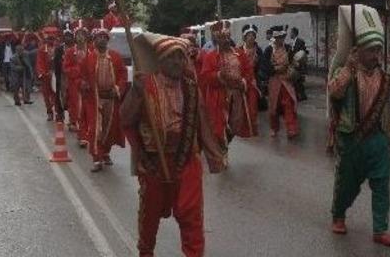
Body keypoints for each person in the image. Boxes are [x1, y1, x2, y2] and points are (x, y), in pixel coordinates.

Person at [120, 32, 226, 257]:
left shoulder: (190, 87)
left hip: (186, 159)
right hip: (153, 162)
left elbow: (202, 123)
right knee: (150, 217)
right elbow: (125, 119)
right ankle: (146, 253)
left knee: (192, 218)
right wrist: (136, 93)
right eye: (171, 57)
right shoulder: (145, 84)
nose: (177, 62)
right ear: (160, 60)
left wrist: (215, 157)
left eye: (181, 57)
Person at [327, 4, 390, 247]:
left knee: (382, 184)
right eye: (372, 50)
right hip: (351, 138)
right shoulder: (346, 71)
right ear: (358, 51)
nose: (376, 55)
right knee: (347, 184)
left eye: (379, 50)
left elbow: (387, 107)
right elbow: (334, 93)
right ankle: (338, 215)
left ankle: (380, 229)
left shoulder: (384, 76)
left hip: (376, 140)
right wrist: (348, 67)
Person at [201, 21, 257, 152]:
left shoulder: (239, 54)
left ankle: (226, 142)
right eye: (222, 38)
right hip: (219, 96)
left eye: (227, 37)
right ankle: (222, 149)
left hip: (236, 95)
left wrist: (243, 81)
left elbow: (248, 71)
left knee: (234, 125)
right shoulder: (211, 56)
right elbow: (205, 76)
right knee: (219, 126)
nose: (225, 41)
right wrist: (219, 75)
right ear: (217, 40)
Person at [82, 27, 128, 171]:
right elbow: (81, 76)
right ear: (94, 41)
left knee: (109, 128)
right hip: (95, 100)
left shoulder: (115, 57)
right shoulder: (88, 58)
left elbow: (123, 75)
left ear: (107, 40)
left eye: (104, 37)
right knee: (96, 129)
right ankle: (97, 159)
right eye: (98, 37)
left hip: (111, 99)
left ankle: (105, 152)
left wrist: (118, 89)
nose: (101, 40)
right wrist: (82, 84)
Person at [261, 25, 300, 139]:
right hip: (274, 81)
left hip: (286, 80)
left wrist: (294, 67)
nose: (281, 40)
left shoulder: (288, 48)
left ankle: (291, 129)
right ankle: (274, 127)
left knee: (288, 103)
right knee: (274, 107)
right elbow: (265, 66)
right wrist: (276, 69)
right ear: (274, 38)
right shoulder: (269, 50)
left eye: (282, 37)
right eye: (278, 38)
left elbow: (294, 62)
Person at [63, 23, 89, 131]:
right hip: (74, 82)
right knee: (75, 102)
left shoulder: (90, 50)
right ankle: (74, 121)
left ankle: (85, 123)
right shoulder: (70, 52)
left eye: (82, 35)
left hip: (87, 81)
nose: (80, 37)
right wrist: (76, 71)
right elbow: (65, 67)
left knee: (87, 103)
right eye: (78, 35)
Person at [37, 31, 58, 121]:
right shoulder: (42, 49)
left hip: (56, 75)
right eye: (49, 39)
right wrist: (43, 73)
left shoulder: (58, 49)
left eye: (53, 39)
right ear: (46, 40)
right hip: (46, 76)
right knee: (46, 96)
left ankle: (57, 112)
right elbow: (39, 63)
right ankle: (49, 112)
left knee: (56, 95)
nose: (51, 41)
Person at [54, 30, 73, 123]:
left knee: (72, 96)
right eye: (66, 36)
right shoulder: (59, 49)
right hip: (62, 76)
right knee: (61, 95)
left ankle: (72, 116)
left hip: (73, 77)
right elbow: (56, 63)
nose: (68, 38)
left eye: (70, 36)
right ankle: (60, 114)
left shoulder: (75, 49)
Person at [289, 27, 308, 101]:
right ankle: (301, 95)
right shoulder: (293, 42)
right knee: (297, 81)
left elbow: (302, 53)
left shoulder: (300, 41)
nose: (290, 34)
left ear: (294, 33)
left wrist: (299, 63)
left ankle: (301, 95)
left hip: (298, 64)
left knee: (298, 80)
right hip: (294, 63)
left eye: (291, 33)